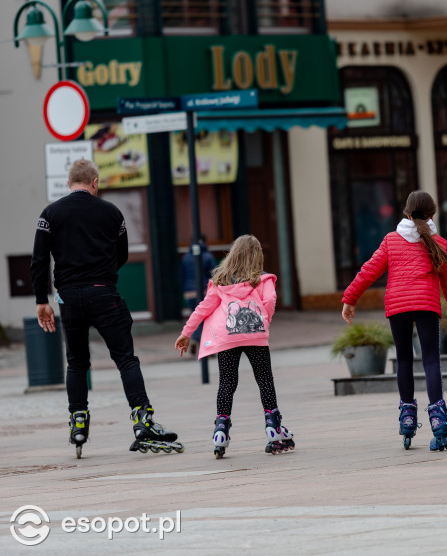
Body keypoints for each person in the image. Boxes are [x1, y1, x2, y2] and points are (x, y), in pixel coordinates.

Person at [30, 158, 183, 458]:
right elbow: (122, 254)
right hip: (104, 294)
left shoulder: (50, 214)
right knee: (126, 359)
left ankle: (78, 422)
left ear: (69, 182)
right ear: (95, 182)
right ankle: (142, 420)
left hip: (69, 298)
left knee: (76, 362)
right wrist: (101, 274)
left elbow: (38, 260)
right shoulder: (112, 212)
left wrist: (41, 301)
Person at [341, 190, 447, 452]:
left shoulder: (391, 240)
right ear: (432, 214)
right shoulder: (439, 243)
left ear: (406, 213)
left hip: (397, 308)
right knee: (431, 359)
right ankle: (439, 418)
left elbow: (369, 270)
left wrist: (350, 298)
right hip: (426, 307)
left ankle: (407, 416)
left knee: (404, 359)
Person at [174, 234, 295, 457]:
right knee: (265, 380)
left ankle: (221, 429)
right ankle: (273, 427)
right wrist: (263, 320)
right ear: (257, 256)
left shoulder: (220, 282)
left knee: (227, 382)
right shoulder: (263, 279)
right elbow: (269, 301)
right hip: (255, 335)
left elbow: (203, 308)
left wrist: (186, 333)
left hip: (226, 337)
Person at [179, 236, 216, 355]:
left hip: (189, 292)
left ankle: (195, 339)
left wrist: (185, 290)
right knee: (206, 319)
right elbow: (214, 275)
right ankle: (204, 343)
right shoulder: (208, 257)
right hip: (205, 291)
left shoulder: (185, 258)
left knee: (195, 317)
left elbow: (182, 275)